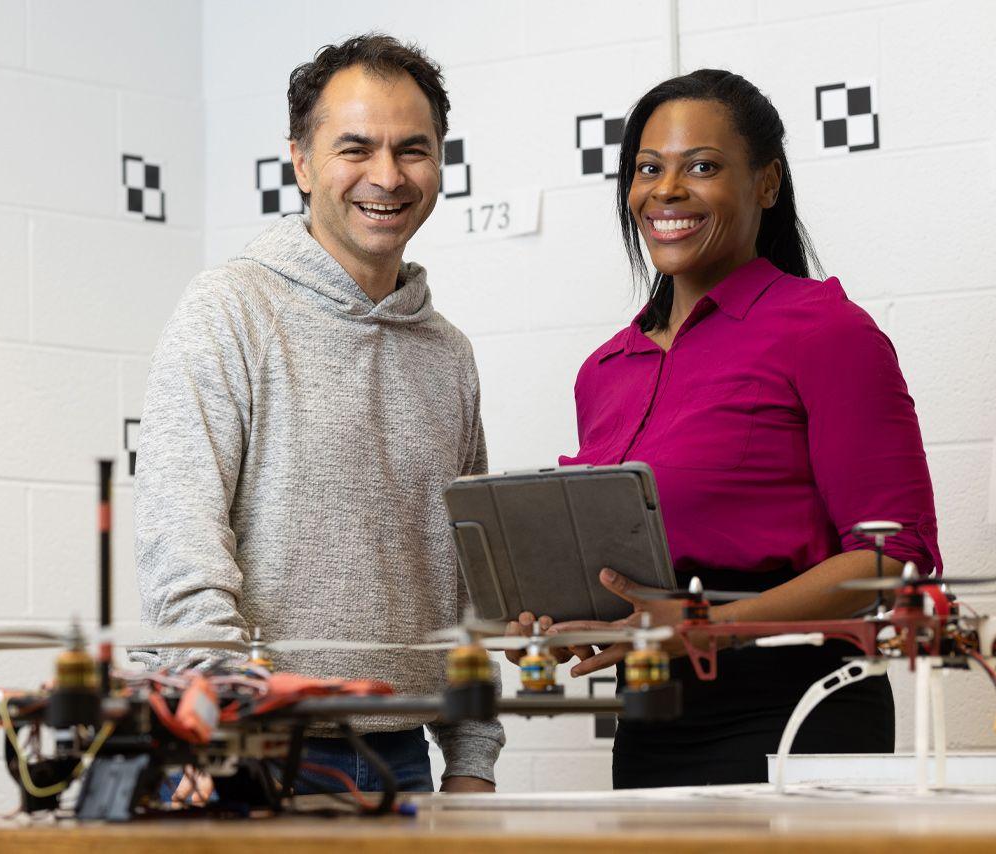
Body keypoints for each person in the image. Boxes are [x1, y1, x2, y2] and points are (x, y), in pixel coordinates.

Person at [510, 69, 941, 788]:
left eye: (701, 167)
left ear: (766, 184)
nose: (667, 190)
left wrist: (702, 627)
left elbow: (891, 559)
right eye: (649, 168)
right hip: (653, 721)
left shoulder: (826, 331)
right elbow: (639, 577)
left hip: (798, 709)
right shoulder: (604, 369)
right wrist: (570, 617)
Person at [135, 34, 502, 797]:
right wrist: (223, 717)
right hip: (245, 749)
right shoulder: (228, 310)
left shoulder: (449, 354)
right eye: (355, 149)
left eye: (413, 149)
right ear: (300, 161)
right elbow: (181, 542)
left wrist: (471, 759)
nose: (387, 177)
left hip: (399, 758)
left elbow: (468, 581)